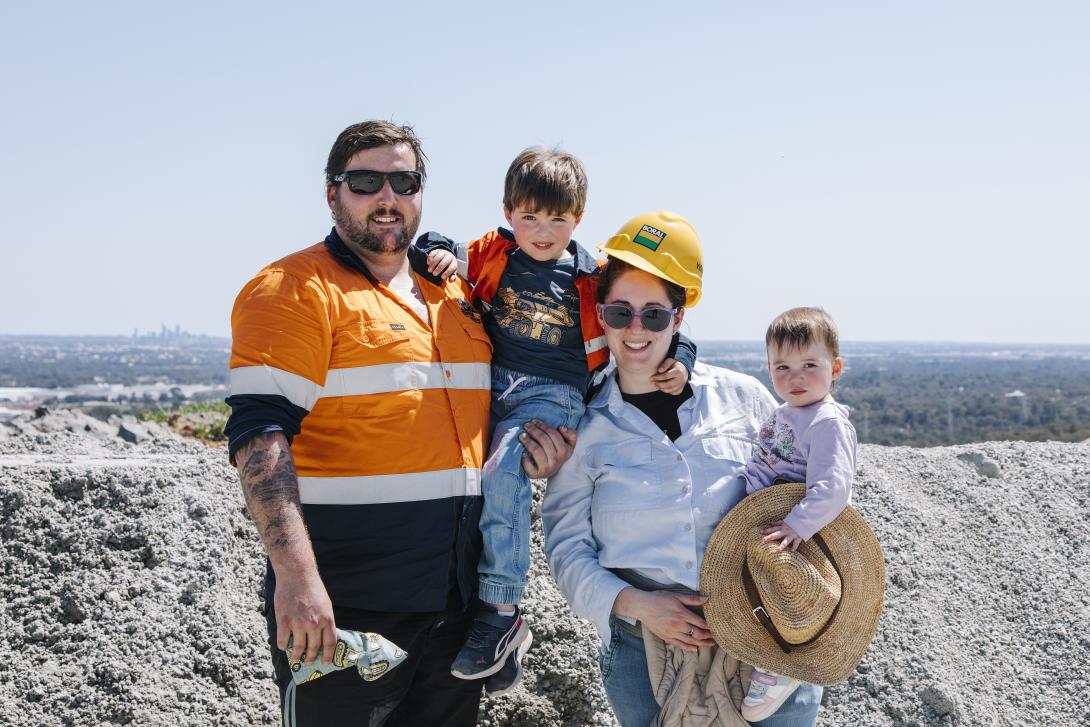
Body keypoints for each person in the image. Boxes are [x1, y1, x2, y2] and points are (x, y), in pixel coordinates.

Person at [224, 121, 575, 726]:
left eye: (403, 181)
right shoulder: (293, 289)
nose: (387, 198)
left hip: (457, 605)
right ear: (332, 193)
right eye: (365, 181)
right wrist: (297, 582)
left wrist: (538, 449)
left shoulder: (455, 292)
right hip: (347, 603)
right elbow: (259, 438)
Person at [414, 148, 696, 683]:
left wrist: (679, 359)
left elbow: (659, 320)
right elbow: (434, 246)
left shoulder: (592, 277)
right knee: (463, 484)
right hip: (493, 387)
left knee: (503, 473)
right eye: (529, 218)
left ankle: (501, 610)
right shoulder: (493, 254)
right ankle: (481, 629)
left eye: (558, 220)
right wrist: (436, 253)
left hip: (553, 395)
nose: (543, 231)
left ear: (579, 218)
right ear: (507, 212)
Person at [542, 212, 824, 727]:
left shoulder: (743, 400)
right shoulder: (583, 424)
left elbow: (807, 489)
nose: (635, 329)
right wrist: (637, 604)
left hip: (768, 646)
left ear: (678, 317)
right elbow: (565, 548)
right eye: (619, 312)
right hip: (642, 653)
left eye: (654, 315)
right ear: (599, 314)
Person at [735, 306, 857, 721]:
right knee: (757, 587)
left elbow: (834, 488)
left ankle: (779, 663)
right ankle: (761, 644)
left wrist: (796, 525)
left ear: (835, 367)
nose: (795, 377)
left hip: (803, 531)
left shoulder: (826, 422)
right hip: (772, 514)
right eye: (782, 366)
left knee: (787, 589)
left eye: (809, 365)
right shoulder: (786, 414)